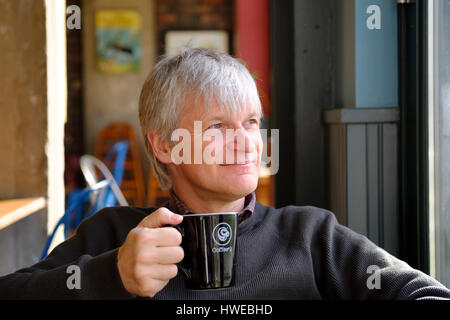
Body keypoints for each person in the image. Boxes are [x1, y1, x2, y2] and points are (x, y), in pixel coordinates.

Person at [0, 48, 449, 300]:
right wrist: (109, 277)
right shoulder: (114, 237)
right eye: (217, 126)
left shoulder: (311, 237)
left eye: (251, 122)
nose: (247, 142)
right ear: (164, 143)